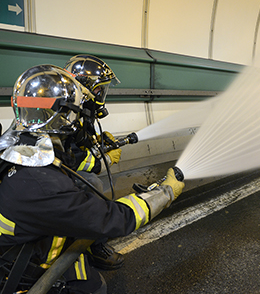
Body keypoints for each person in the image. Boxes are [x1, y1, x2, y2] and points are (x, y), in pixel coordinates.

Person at [0, 65, 184, 294]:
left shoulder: (19, 144)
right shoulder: (44, 186)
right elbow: (112, 219)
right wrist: (164, 192)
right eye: (73, 111)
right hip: (19, 272)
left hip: (26, 244)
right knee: (95, 289)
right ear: (62, 114)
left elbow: (68, 160)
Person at [64, 54, 125, 270]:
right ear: (85, 88)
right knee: (93, 185)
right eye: (100, 89)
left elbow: (79, 140)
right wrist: (103, 160)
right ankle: (94, 246)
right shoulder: (67, 112)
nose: (102, 94)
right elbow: (69, 158)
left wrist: (96, 140)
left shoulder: (81, 109)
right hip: (45, 173)